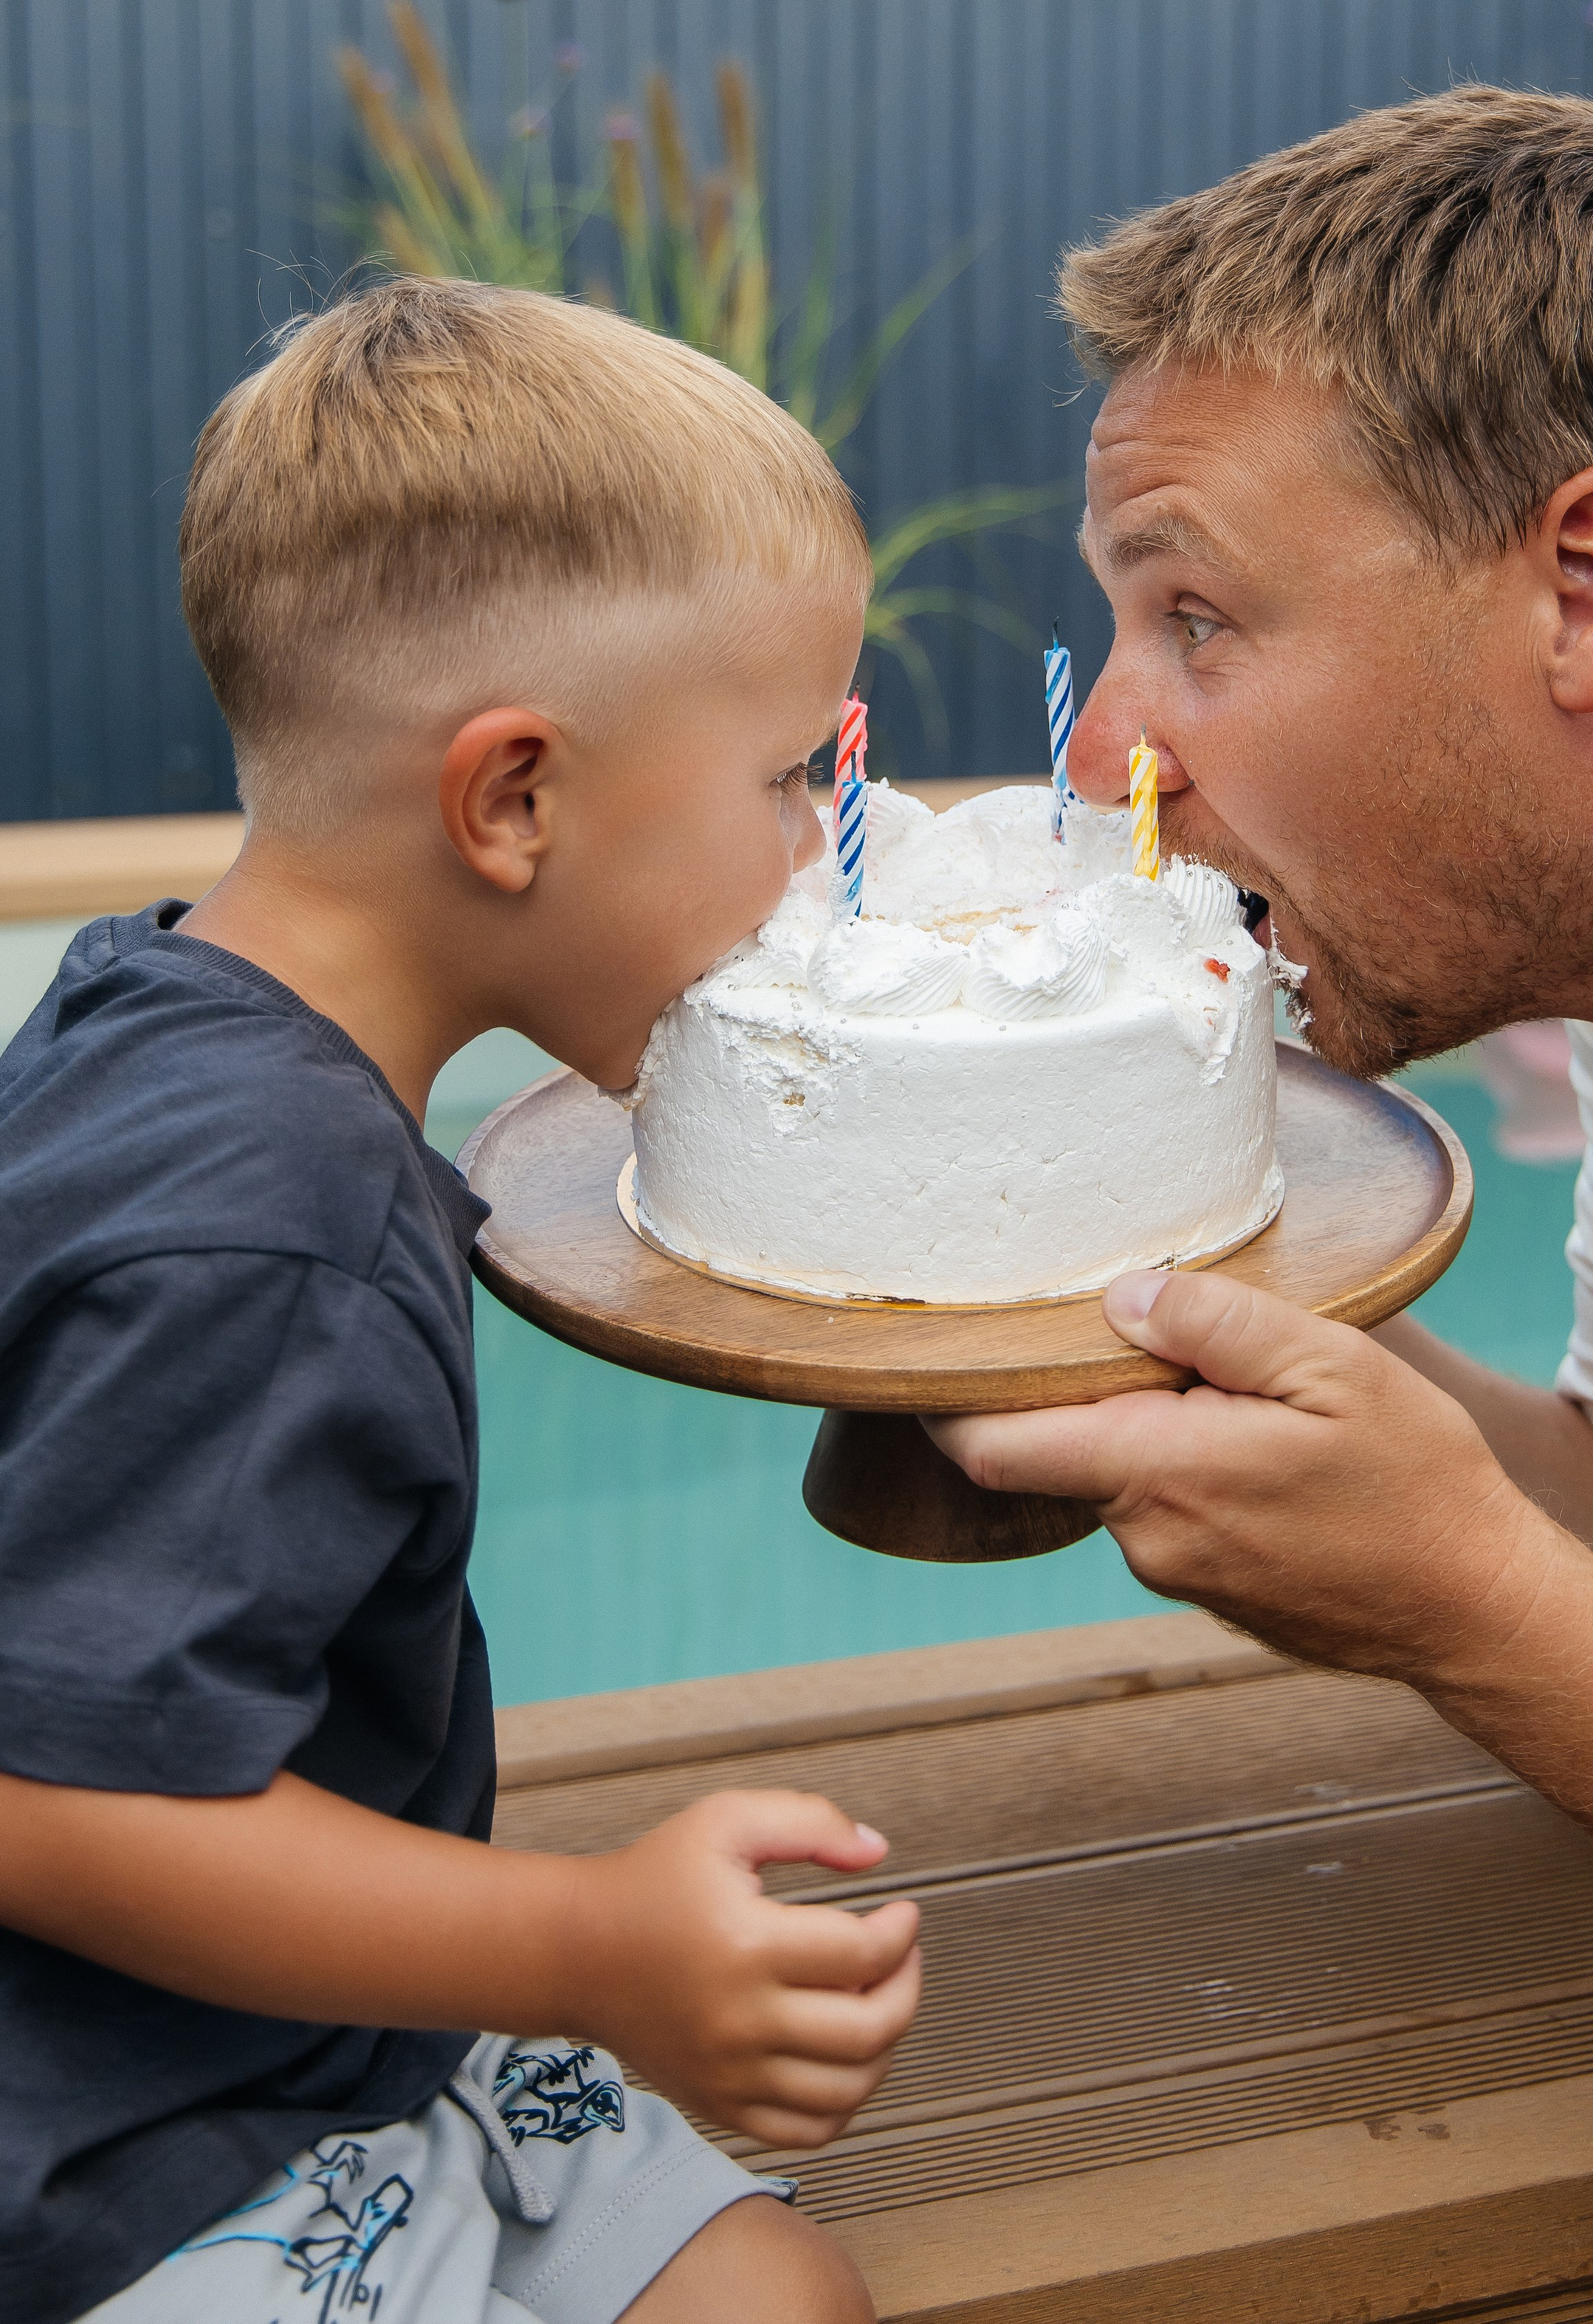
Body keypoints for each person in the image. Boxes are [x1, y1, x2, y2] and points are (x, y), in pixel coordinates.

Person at [932, 84, 1593, 2077]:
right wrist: (1204, 1319)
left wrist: (1480, 1608)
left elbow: (1560, 1629)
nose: (1113, 750)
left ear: (1590, 586)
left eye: (1196, 615)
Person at [0, 282, 921, 2324]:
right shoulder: (271, 1227)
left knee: (776, 2290)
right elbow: (52, 1804)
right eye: (786, 781)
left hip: (284, 2040)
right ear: (512, 801)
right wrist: (584, 1947)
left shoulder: (157, 1015)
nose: (816, 860)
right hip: (103, 2152)